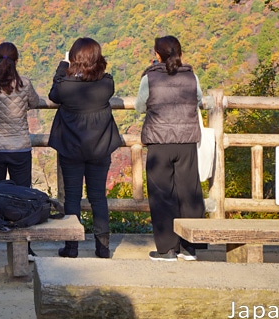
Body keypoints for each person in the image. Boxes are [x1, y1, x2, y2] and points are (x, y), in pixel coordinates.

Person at [48, 37, 121, 258]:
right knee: (98, 196)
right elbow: (103, 76)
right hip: (100, 148)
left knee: (72, 197)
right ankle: (103, 247)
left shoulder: (65, 88)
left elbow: (54, 93)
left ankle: (71, 247)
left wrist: (63, 65)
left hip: (71, 148)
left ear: (73, 60)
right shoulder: (106, 85)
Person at [136, 35, 205, 261]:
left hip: (159, 142)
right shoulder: (191, 76)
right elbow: (199, 101)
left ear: (157, 55)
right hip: (186, 141)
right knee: (189, 192)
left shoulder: (150, 78)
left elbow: (139, 107)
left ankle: (167, 249)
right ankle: (190, 247)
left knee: (162, 195)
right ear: (180, 53)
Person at [0, 42, 40, 259]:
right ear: (17, 61)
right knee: (23, 196)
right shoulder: (26, 84)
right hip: (20, 147)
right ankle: (25, 246)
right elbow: (35, 102)